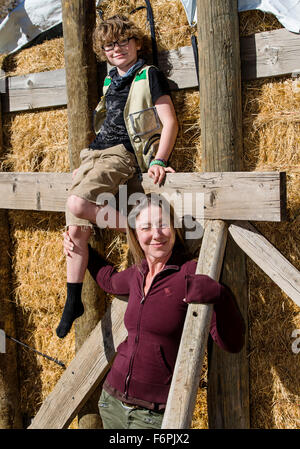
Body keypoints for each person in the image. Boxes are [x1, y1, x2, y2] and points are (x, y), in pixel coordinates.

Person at [63, 193, 246, 429]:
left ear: (174, 228)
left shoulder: (188, 275)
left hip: (152, 415)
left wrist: (221, 296)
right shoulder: (136, 274)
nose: (156, 234)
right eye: (146, 227)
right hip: (111, 402)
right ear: (136, 235)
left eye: (162, 225)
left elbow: (232, 343)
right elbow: (108, 281)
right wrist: (80, 247)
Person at [56, 15, 178, 338]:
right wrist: (86, 165)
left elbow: (170, 122)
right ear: (104, 51)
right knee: (75, 228)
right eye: (110, 45)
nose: (117, 48)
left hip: (122, 155)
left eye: (124, 41)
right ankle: (73, 298)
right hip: (95, 154)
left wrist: (160, 159)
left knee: (77, 203)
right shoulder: (111, 81)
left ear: (137, 43)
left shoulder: (147, 75)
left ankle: (131, 224)